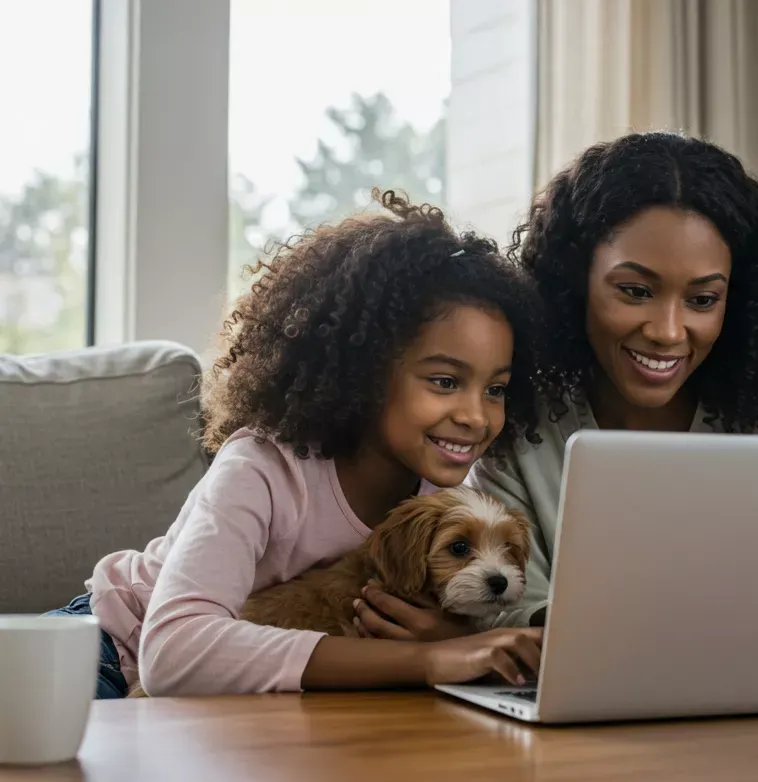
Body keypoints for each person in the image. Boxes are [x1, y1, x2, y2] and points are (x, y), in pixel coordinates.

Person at [45, 191, 544, 697]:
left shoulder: (445, 502)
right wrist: (421, 658)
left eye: (496, 389)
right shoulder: (263, 468)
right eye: (443, 381)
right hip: (107, 645)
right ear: (364, 374)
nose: (476, 416)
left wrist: (450, 636)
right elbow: (173, 652)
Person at [469, 132, 758, 628]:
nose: (667, 332)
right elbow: (508, 615)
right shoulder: (521, 421)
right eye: (636, 290)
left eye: (703, 300)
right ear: (575, 281)